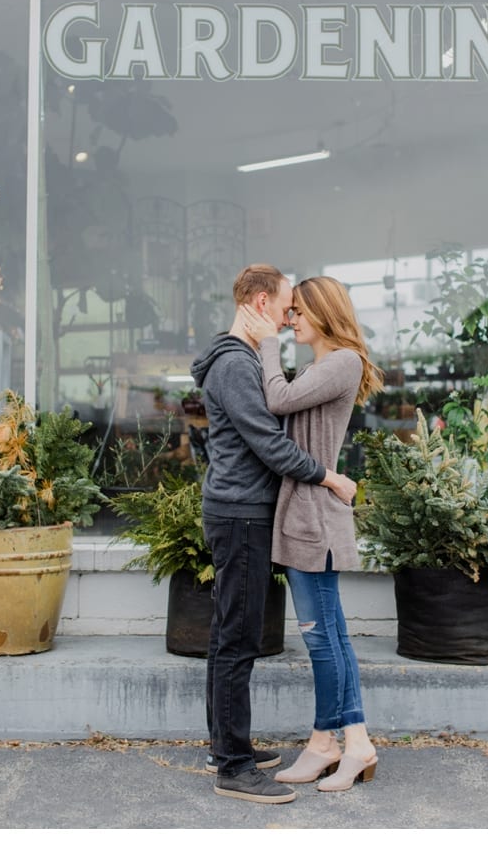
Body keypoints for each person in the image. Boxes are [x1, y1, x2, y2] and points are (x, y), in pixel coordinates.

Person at [190, 264, 359, 805]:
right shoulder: (238, 362)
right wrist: (327, 475)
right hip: (241, 512)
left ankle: (228, 745)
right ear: (262, 303)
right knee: (238, 638)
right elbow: (270, 441)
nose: (291, 318)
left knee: (231, 633)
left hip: (243, 509)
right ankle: (234, 767)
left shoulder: (240, 360)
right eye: (287, 306)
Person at [238, 276, 385, 792]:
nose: (291, 318)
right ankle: (340, 741)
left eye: (298, 311)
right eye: (289, 311)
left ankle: (340, 743)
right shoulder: (323, 366)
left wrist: (267, 344)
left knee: (322, 641)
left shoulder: (342, 361)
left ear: (322, 313)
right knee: (332, 637)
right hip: (306, 512)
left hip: (314, 520)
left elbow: (276, 399)